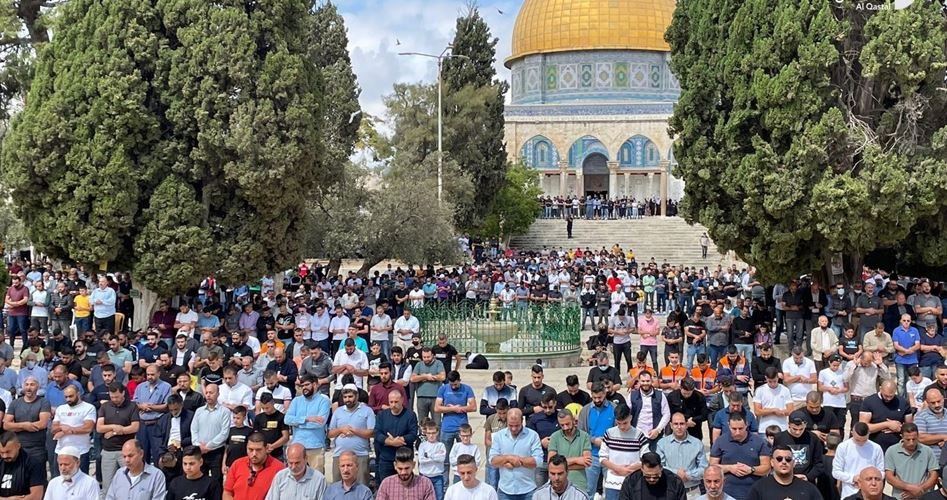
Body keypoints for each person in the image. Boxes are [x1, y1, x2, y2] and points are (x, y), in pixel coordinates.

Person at [708, 413, 772, 500]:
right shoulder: (720, 441)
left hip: (755, 492)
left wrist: (751, 470)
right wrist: (730, 468)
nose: (737, 432)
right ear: (728, 425)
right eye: (734, 429)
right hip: (728, 493)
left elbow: (766, 467)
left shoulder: (759, 442)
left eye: (741, 428)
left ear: (747, 425)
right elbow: (712, 468)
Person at [489, 407, 544, 500]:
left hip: (528, 490)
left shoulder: (533, 436)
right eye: (510, 425)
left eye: (517, 425)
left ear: (522, 420)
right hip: (505, 490)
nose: (514, 429)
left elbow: (539, 461)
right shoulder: (499, 436)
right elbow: (492, 460)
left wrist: (520, 461)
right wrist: (508, 458)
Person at [97, 382, 140, 496]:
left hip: (125, 451)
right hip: (108, 451)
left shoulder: (132, 406)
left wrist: (114, 432)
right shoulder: (105, 406)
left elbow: (135, 427)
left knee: (129, 482)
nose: (114, 399)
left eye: (116, 396)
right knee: (107, 485)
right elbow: (99, 427)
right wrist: (114, 427)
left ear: (123, 393)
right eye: (112, 397)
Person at [328, 383, 375, 486]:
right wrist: (341, 429)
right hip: (339, 456)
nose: (347, 399)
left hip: (360, 455)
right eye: (345, 397)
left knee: (361, 486)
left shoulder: (367, 411)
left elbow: (371, 432)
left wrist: (353, 430)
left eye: (350, 396)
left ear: (357, 396)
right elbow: (330, 433)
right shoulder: (338, 412)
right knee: (338, 487)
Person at [599, 403, 648, 500]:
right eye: (618, 423)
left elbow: (646, 458)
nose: (622, 427)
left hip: (633, 482)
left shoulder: (639, 435)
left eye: (625, 423)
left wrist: (629, 469)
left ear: (630, 418)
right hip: (613, 483)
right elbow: (602, 458)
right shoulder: (609, 433)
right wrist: (617, 468)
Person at [284, 374, 331, 472]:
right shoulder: (296, 401)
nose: (304, 388)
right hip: (298, 446)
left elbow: (319, 423)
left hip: (315, 447)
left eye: (307, 385)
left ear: (315, 384)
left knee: (317, 479)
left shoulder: (324, 401)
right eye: (302, 386)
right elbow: (287, 419)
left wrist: (297, 423)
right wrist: (306, 419)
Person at [578, 382, 616, 499]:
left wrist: (606, 441)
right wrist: (594, 440)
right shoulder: (585, 411)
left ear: (605, 394)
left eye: (599, 397)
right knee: (588, 489)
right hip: (592, 455)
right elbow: (580, 433)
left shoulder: (614, 409)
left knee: (611, 489)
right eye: (594, 397)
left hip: (610, 455)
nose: (597, 400)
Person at [4, 376, 51, 468]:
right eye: (26, 385)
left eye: (32, 385)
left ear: (38, 387)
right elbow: (6, 425)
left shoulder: (43, 402)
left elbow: (42, 424)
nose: (29, 387)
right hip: (18, 447)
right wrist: (24, 425)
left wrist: (15, 426)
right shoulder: (15, 403)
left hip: (37, 448)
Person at [656, 412, 708, 495]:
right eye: (676, 424)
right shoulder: (662, 444)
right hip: (669, 491)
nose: (679, 427)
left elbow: (704, 468)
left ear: (687, 425)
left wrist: (688, 475)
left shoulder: (697, 444)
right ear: (671, 425)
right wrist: (676, 473)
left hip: (693, 492)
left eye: (682, 424)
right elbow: (659, 467)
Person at [745, 444, 822, 500]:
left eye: (788, 459)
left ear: (793, 463)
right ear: (772, 462)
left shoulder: (809, 489)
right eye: (779, 459)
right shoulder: (759, 488)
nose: (784, 462)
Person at [883, 423, 938, 499]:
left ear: (918, 436)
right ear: (901, 437)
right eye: (908, 440)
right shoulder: (891, 451)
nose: (911, 442)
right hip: (901, 497)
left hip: (923, 497)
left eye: (914, 439)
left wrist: (920, 489)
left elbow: (934, 475)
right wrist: (910, 488)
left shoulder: (927, 451)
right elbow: (889, 477)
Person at [223, 432, 284, 500]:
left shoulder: (279, 469)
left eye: (258, 450)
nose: (254, 454)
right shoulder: (237, 464)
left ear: (266, 448)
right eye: (250, 450)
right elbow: (227, 493)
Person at [375, 390, 419, 483]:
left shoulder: (410, 415)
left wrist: (401, 439)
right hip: (386, 458)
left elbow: (413, 434)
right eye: (391, 402)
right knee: (386, 486)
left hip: (404, 459)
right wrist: (389, 442)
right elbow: (377, 433)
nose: (393, 405)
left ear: (402, 400)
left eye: (396, 402)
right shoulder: (382, 415)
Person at [833, 422, 885, 498]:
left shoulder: (876, 448)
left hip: (870, 493)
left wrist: (868, 480)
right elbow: (836, 472)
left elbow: (881, 472)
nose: (861, 443)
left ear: (868, 434)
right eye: (857, 440)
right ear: (852, 433)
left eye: (864, 440)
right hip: (849, 491)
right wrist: (853, 478)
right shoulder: (843, 447)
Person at [772, 411, 826, 485]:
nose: (798, 432)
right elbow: (775, 460)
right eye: (794, 429)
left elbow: (819, 464)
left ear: (805, 425)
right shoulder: (780, 437)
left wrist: (807, 477)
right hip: (784, 481)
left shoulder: (813, 438)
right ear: (789, 425)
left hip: (806, 482)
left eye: (801, 429)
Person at [860, 379, 912, 452]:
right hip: (874, 447)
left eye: (891, 396)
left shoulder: (902, 402)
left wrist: (900, 428)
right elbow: (863, 427)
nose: (888, 398)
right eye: (886, 396)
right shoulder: (869, 401)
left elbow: (910, 427)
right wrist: (886, 424)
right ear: (880, 389)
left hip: (897, 448)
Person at [547, 409, 592, 494]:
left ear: (573, 421)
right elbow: (551, 463)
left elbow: (586, 462)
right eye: (562, 425)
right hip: (558, 484)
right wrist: (576, 460)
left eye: (567, 424)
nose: (565, 427)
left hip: (579, 484)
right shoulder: (554, 437)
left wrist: (560, 467)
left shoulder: (584, 436)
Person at [617, 451, 687, 500]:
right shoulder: (631, 481)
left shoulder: (674, 482)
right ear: (642, 469)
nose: (651, 479)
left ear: (661, 468)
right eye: (647, 476)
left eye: (656, 476)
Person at [0, 431, 45, 500]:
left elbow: (36, 496)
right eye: (1, 452)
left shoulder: (33, 464)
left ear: (18, 446)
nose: (5, 456)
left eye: (8, 452)